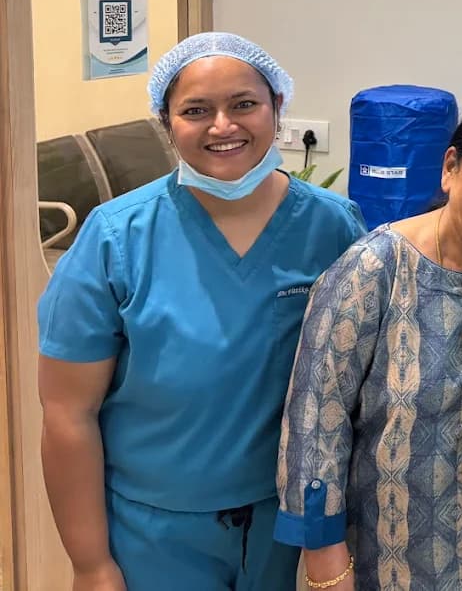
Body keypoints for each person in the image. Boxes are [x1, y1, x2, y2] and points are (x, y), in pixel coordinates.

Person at [37, 32, 368, 591]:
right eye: (196, 110)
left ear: (277, 107)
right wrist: (90, 563)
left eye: (244, 104)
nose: (223, 126)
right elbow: (67, 414)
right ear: (167, 123)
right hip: (152, 534)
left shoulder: (332, 226)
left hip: (287, 528)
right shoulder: (116, 238)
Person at [275, 98, 462, 591]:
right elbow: (316, 419)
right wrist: (325, 561)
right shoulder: (374, 268)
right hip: (381, 558)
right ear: (450, 167)